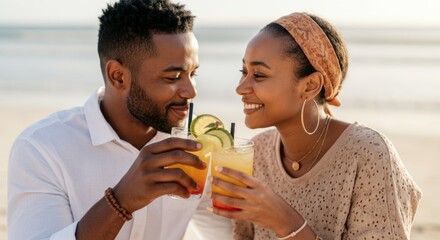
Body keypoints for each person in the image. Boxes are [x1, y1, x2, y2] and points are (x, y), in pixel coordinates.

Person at [7, 0, 232, 239]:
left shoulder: (201, 145)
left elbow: (220, 234)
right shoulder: (42, 148)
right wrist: (120, 201)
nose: (191, 91)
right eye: (173, 77)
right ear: (118, 76)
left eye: (193, 73)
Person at [208, 12, 422, 239]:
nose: (240, 88)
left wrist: (286, 222)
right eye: (244, 72)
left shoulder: (369, 154)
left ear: (310, 85)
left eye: (259, 75)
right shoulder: (256, 153)